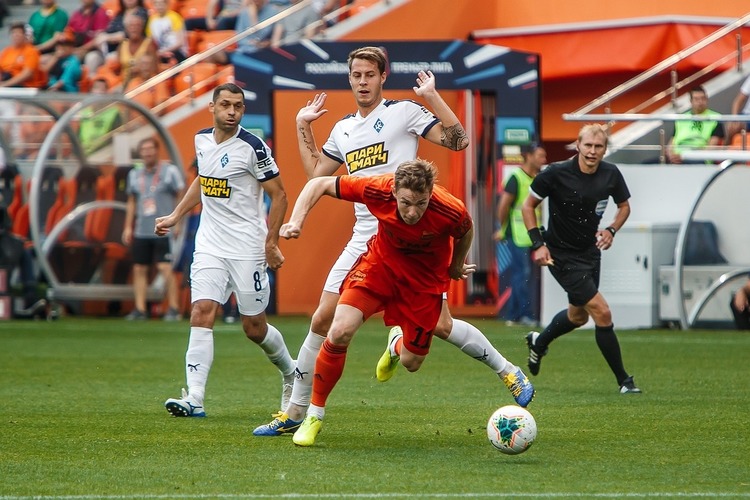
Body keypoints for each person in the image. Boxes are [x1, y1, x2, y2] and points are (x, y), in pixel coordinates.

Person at [253, 46, 533, 437]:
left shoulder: (403, 112)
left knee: (441, 327)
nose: (363, 82)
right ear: (349, 79)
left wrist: (432, 96)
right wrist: (303, 126)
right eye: (356, 75)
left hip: (416, 238)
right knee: (324, 320)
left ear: (383, 77)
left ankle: (505, 369)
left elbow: (458, 141)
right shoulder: (343, 129)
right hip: (366, 239)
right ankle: (296, 413)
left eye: (370, 74)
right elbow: (317, 175)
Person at [280, 159, 534, 447]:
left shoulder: (450, 208)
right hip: (379, 270)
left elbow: (466, 230)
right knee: (339, 330)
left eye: (421, 203)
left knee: (412, 362)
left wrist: (455, 265)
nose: (413, 212)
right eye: (406, 203)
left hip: (423, 283)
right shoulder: (377, 188)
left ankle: (396, 345)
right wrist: (296, 220)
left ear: (430, 194)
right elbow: (319, 183)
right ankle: (315, 415)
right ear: (394, 191)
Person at [155, 82, 296, 417]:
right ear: (212, 107)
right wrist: (176, 215)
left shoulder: (253, 148)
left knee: (254, 328)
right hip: (210, 244)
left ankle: (292, 372)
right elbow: (204, 180)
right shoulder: (201, 140)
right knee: (201, 310)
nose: (232, 112)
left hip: (247, 247)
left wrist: (271, 242)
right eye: (226, 105)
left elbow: (279, 195)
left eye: (238, 106)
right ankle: (195, 397)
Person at [522, 123, 641, 394]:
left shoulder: (611, 174)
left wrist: (611, 230)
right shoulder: (555, 173)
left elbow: (624, 206)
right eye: (588, 145)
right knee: (602, 312)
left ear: (605, 149)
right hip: (560, 255)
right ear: (578, 145)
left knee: (578, 317)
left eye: (598, 146)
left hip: (589, 252)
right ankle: (624, 381)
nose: (592, 151)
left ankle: (539, 342)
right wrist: (538, 245)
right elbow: (527, 206)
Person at [122, 137, 184, 321]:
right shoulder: (134, 174)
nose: (147, 153)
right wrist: (128, 227)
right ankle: (140, 309)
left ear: (157, 151)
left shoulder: (169, 171)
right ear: (140, 153)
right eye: (144, 149)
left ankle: (174, 308)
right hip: (142, 229)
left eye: (150, 149)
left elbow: (181, 194)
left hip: (163, 229)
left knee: (165, 268)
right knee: (139, 268)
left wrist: (177, 221)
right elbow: (132, 201)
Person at [495, 143, 546, 326]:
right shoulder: (516, 177)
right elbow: (503, 206)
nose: (543, 160)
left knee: (523, 275)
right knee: (522, 274)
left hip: (534, 234)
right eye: (540, 156)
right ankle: (524, 314)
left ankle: (513, 315)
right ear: (529, 156)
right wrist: (502, 229)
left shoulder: (539, 178)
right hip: (516, 234)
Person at [666, 86, 725, 164]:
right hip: (677, 156)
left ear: (707, 99)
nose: (700, 102)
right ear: (691, 101)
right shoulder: (681, 118)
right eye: (696, 99)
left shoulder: (716, 118)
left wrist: (685, 157)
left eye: (703, 98)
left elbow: (711, 147)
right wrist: (671, 156)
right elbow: (671, 143)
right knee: (651, 163)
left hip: (698, 157)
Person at [0, 22, 47, 89]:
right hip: (6, 80)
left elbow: (27, 74)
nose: (16, 35)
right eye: (13, 33)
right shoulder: (6, 51)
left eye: (19, 33)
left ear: (24, 35)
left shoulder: (31, 51)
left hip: (25, 86)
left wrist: (5, 84)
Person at [146, 0, 188, 64]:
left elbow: (180, 43)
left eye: (161, 4)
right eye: (157, 4)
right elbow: (150, 40)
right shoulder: (152, 20)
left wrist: (163, 51)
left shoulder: (174, 17)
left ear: (167, 4)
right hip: (161, 52)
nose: (159, 6)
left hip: (177, 51)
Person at [726, 75, 750, 142]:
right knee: (732, 127)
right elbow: (737, 102)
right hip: (747, 116)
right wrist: (735, 119)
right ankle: (726, 147)